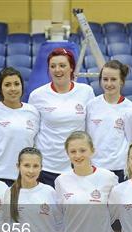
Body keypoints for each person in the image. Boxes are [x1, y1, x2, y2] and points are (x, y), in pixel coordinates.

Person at [28, 48, 95, 186]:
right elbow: (31, 132)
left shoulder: (86, 91)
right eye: (53, 66)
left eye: (62, 65)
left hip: (77, 164)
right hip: (47, 167)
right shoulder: (37, 95)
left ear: (71, 68)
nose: (57, 70)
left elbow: (91, 128)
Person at [0, 67, 40, 186]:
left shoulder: (33, 112)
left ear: (22, 86)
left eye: (16, 84)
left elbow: (35, 144)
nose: (13, 88)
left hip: (26, 177)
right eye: (7, 84)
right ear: (1, 88)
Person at [86, 60, 132, 182]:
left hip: (119, 169)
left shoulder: (131, 109)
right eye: (105, 79)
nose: (108, 83)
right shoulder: (91, 105)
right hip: (94, 167)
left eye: (113, 79)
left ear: (122, 82)